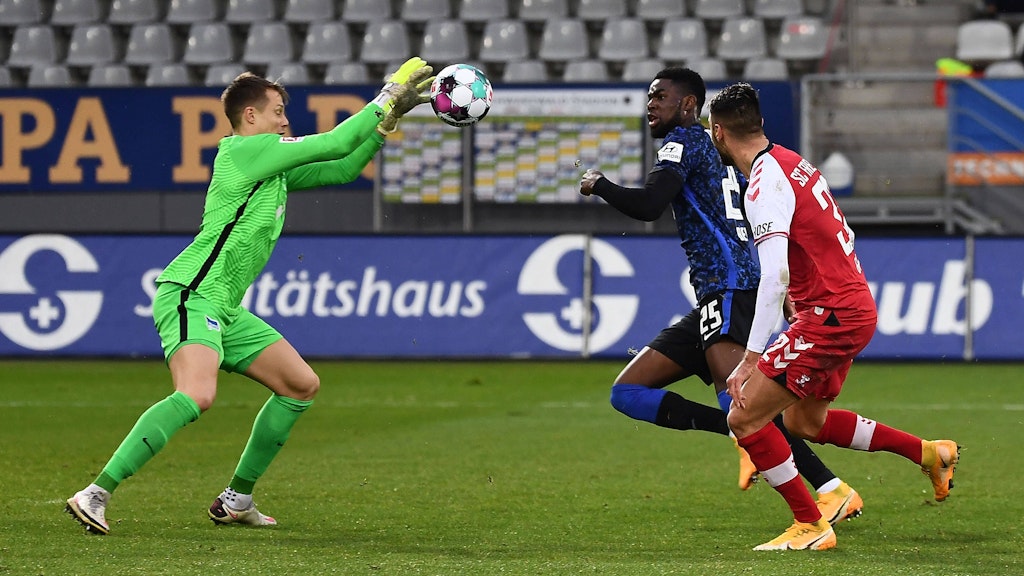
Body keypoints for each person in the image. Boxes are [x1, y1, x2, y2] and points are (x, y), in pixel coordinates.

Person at [65, 58, 435, 535]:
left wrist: (386, 124)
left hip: (225, 309)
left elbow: (343, 167)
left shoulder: (271, 169)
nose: (286, 120)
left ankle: (236, 500)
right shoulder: (245, 153)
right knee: (197, 394)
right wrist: (387, 94)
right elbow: (336, 140)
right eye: (278, 110)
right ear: (251, 117)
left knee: (300, 386)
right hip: (192, 294)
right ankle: (94, 493)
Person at [578, 67, 862, 526]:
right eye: (649, 96)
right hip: (719, 292)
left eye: (660, 96)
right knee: (627, 392)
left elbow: (650, 206)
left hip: (729, 287)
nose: (650, 103)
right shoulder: (718, 148)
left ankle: (829, 492)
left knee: (745, 406)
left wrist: (600, 185)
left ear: (689, 105)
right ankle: (752, 446)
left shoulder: (685, 141)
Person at [710, 82, 960, 551]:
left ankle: (810, 525)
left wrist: (750, 358)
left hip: (830, 315)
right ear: (760, 124)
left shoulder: (764, 184)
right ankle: (928, 453)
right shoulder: (793, 164)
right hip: (845, 307)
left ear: (717, 132)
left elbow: (776, 274)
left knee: (743, 415)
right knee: (805, 423)